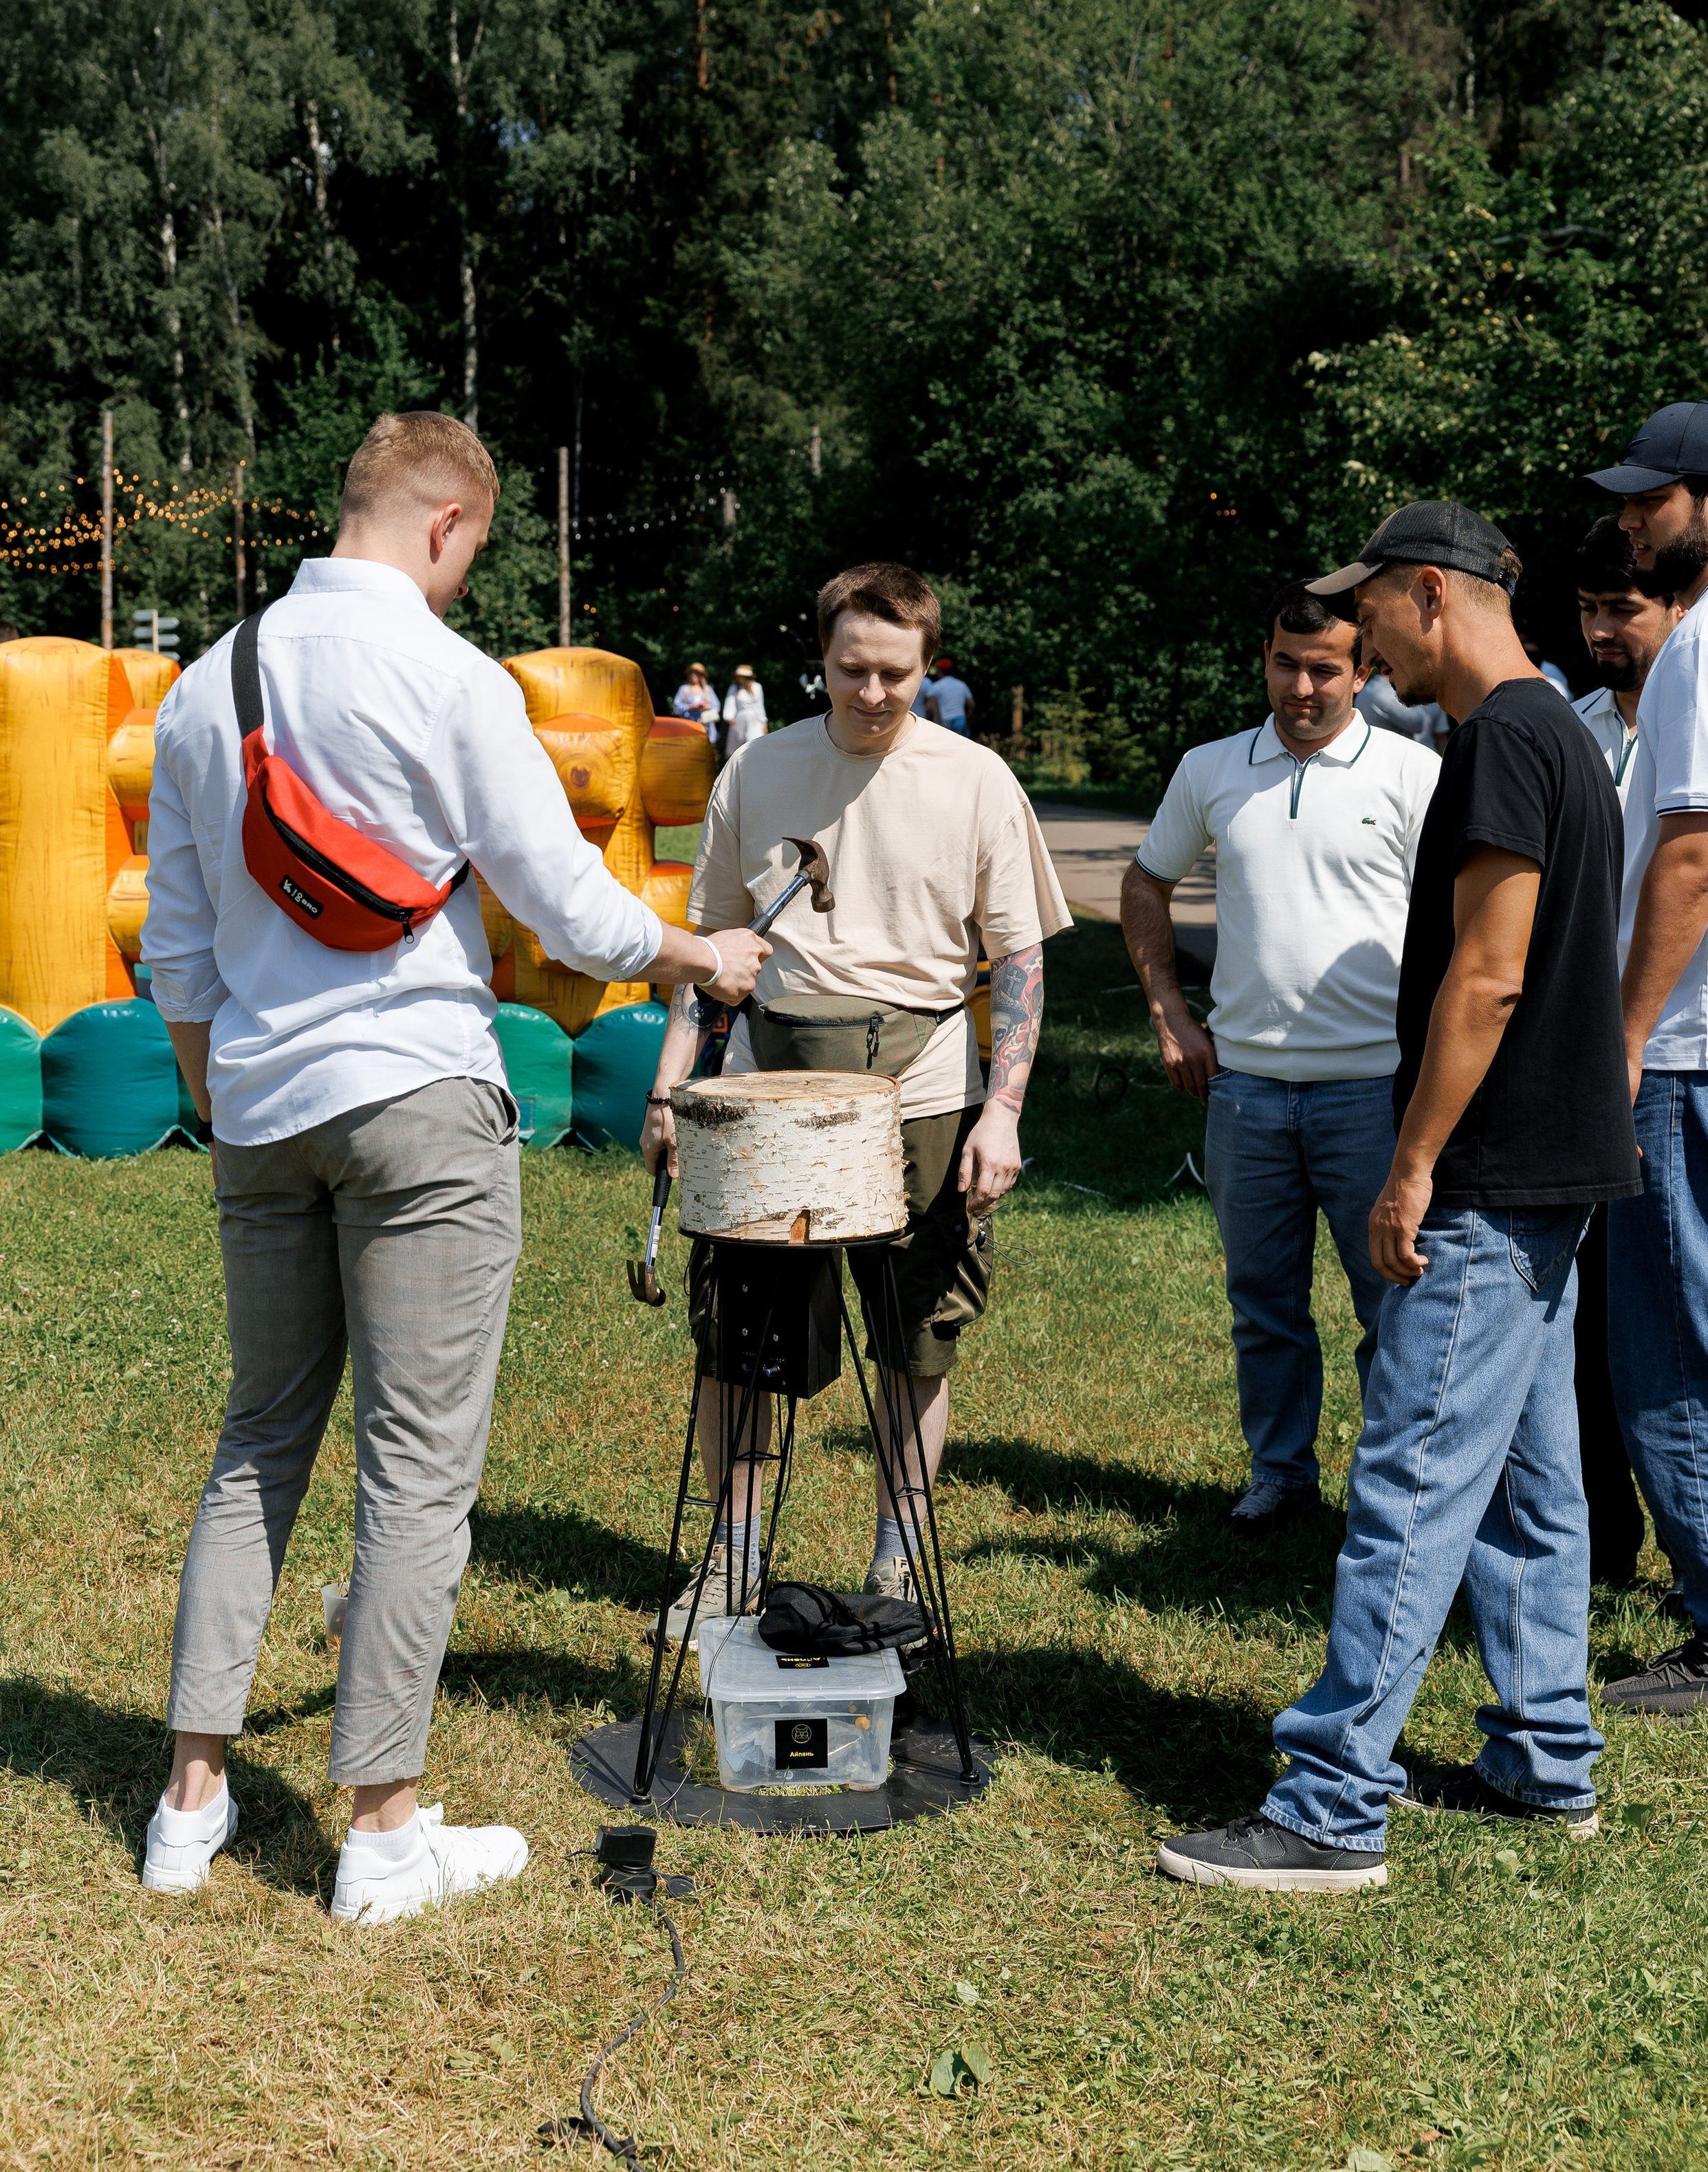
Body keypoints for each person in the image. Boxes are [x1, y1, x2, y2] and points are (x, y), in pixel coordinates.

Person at [138, 413, 767, 1919]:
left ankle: (188, 1807)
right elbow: (571, 912)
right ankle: (380, 1835)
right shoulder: (450, 676)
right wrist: (702, 949)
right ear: (443, 524)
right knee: (416, 1474)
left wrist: (225, 1108)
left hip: (262, 1107)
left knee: (257, 1446)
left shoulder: (200, 687)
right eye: (472, 554)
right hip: (421, 1101)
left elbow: (174, 949)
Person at [1158, 501, 1636, 1893]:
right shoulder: (1560, 731)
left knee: (1409, 1479)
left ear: (1429, 593)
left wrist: (1412, 1162)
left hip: (1486, 1180)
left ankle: (1326, 1804)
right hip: (1556, 1173)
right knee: (1531, 1486)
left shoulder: (1492, 743)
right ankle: (1543, 1758)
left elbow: (1485, 979)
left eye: (1365, 611)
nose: (1355, 640)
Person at [643, 560, 1071, 1632]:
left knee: (915, 1335)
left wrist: (1004, 1110)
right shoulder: (758, 771)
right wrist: (670, 1095)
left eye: (897, 674)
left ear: (931, 665)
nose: (874, 695)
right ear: (820, 657)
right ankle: (733, 1563)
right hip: (768, 1090)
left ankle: (898, 1568)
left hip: (921, 1090)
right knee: (740, 1339)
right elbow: (709, 954)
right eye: (852, 671)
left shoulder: (975, 780)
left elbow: (1018, 962)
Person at [1121, 584, 1440, 1538]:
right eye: (1284, 664)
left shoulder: (1413, 773)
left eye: (1325, 668)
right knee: (1262, 1303)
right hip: (1246, 1091)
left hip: (1374, 1091)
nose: (1301, 687)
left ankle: (1396, 1496)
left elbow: (1463, 928)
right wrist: (1170, 1011)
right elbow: (1145, 882)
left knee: (1395, 1311)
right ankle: (1281, 1475)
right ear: (1263, 658)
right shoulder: (1214, 768)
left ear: (1367, 668)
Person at [1586, 402, 1708, 1714]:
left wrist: (1627, 1038)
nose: (1634, 522)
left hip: (1704, 1046)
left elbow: (1696, 852)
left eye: (1654, 501)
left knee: (1686, 1346)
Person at [1567, 512, 1681, 1585]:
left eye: (1625, 609)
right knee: (1590, 1318)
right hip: (1584, 1059)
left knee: (1691, 1315)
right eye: (1591, 610)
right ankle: (1603, 1544)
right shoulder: (1571, 729)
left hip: (1693, 1054)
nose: (1604, 629)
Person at [1356, 667, 1448, 752]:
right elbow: (1418, 724)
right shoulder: (1380, 693)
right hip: (1402, 761)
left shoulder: (1368, 690)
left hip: (1425, 761)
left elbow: (1441, 736)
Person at [721, 663, 767, 757]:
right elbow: (730, 702)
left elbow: (760, 706)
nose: (740, 679)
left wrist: (764, 723)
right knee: (739, 748)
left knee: (754, 743)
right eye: (739, 677)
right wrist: (729, 717)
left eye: (742, 676)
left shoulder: (757, 687)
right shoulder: (734, 688)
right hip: (740, 719)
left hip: (755, 719)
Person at [672, 661, 719, 748]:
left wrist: (706, 707)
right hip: (688, 725)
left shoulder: (707, 690)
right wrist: (690, 707)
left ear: (701, 676)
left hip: (706, 727)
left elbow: (717, 706)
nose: (693, 676)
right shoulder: (684, 689)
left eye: (696, 674)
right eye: (691, 674)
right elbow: (676, 706)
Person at [925, 658, 976, 735]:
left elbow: (930, 707)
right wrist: (969, 719)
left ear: (940, 670)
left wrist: (937, 722)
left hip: (944, 722)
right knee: (962, 746)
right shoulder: (962, 685)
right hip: (960, 720)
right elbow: (972, 705)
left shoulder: (935, 687)